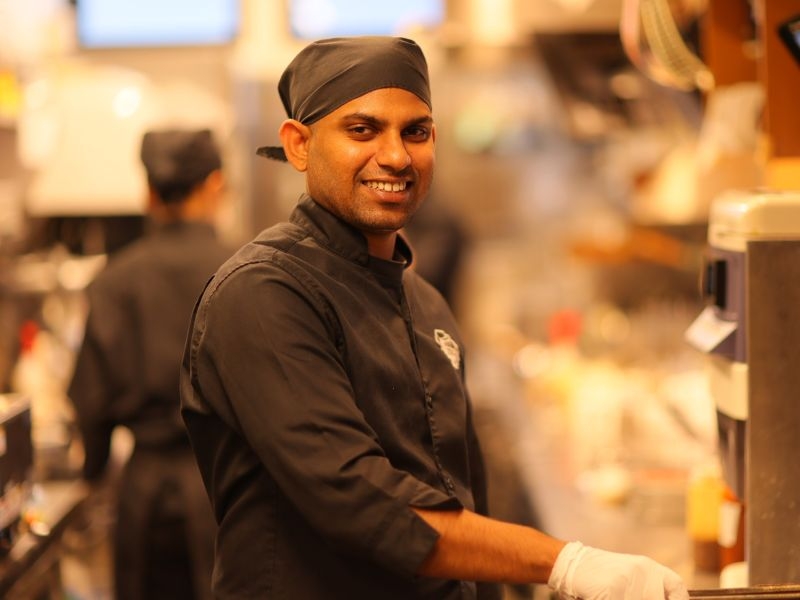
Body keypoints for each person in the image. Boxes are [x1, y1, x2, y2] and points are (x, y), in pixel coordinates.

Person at [179, 37, 690, 599]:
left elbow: (462, 497)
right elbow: (358, 498)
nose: (396, 156)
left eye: (415, 132)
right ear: (298, 144)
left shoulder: (425, 304)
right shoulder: (264, 294)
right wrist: (562, 561)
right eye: (362, 130)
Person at [68, 128, 233, 600]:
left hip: (145, 492)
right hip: (225, 491)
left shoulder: (115, 280)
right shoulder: (248, 268)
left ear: (148, 193)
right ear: (215, 185)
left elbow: (91, 401)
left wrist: (93, 469)